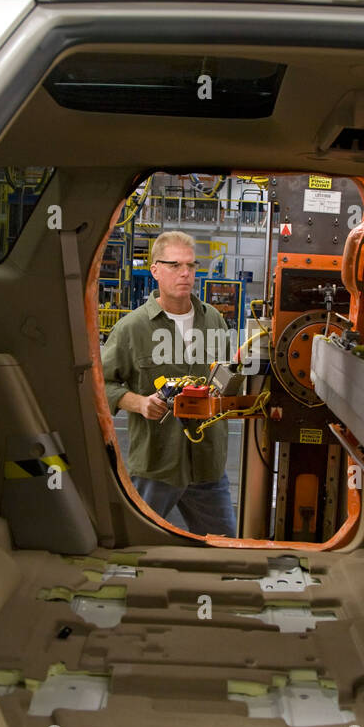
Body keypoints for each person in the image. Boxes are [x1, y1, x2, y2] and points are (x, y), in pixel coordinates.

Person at [102, 230, 237, 536]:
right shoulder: (132, 329)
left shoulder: (214, 320)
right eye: (175, 265)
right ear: (155, 270)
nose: (185, 273)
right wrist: (139, 402)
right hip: (157, 464)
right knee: (136, 541)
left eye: (191, 266)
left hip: (207, 466)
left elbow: (227, 377)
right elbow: (101, 384)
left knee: (225, 545)